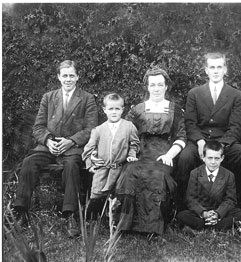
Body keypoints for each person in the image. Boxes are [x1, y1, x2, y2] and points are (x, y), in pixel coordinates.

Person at [14, 60, 98, 237]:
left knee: (71, 166)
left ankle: (70, 216)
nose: (68, 79)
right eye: (64, 75)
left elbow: (91, 129)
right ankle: (21, 213)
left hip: (73, 148)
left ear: (78, 77)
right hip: (49, 147)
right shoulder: (49, 97)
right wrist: (48, 141)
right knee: (28, 163)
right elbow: (38, 127)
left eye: (71, 75)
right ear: (59, 77)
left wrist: (71, 141)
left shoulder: (87, 98)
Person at [176, 52, 241, 208]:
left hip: (224, 142)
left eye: (219, 67)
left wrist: (221, 147)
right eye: (212, 67)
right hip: (200, 141)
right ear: (206, 70)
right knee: (184, 158)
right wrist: (199, 141)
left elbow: (236, 126)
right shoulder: (194, 94)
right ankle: (183, 207)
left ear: (225, 69)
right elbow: (190, 123)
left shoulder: (236, 95)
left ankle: (240, 204)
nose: (216, 71)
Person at [115, 67, 186, 236]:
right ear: (147, 86)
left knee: (156, 176)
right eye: (152, 85)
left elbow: (181, 137)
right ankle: (127, 225)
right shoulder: (137, 109)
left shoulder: (175, 109)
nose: (156, 89)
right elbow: (125, 131)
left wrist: (169, 155)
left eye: (160, 85)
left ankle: (152, 227)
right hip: (140, 152)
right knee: (130, 173)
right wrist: (131, 154)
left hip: (164, 152)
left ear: (166, 86)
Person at [82, 93, 140, 215]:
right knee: (96, 195)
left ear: (122, 110)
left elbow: (134, 143)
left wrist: (132, 154)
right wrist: (91, 164)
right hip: (102, 169)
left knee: (119, 195)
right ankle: (93, 220)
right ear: (104, 110)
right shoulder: (98, 130)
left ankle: (115, 219)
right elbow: (88, 150)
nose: (114, 112)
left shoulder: (129, 127)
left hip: (120, 169)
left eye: (117, 109)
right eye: (110, 109)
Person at [176, 140, 241, 232]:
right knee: (182, 215)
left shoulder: (228, 175)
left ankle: (206, 227)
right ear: (203, 157)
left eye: (217, 158)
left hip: (220, 212)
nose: (213, 162)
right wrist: (204, 213)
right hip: (201, 213)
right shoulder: (195, 173)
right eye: (210, 158)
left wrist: (217, 214)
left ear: (222, 158)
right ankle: (214, 227)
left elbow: (230, 200)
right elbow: (191, 199)